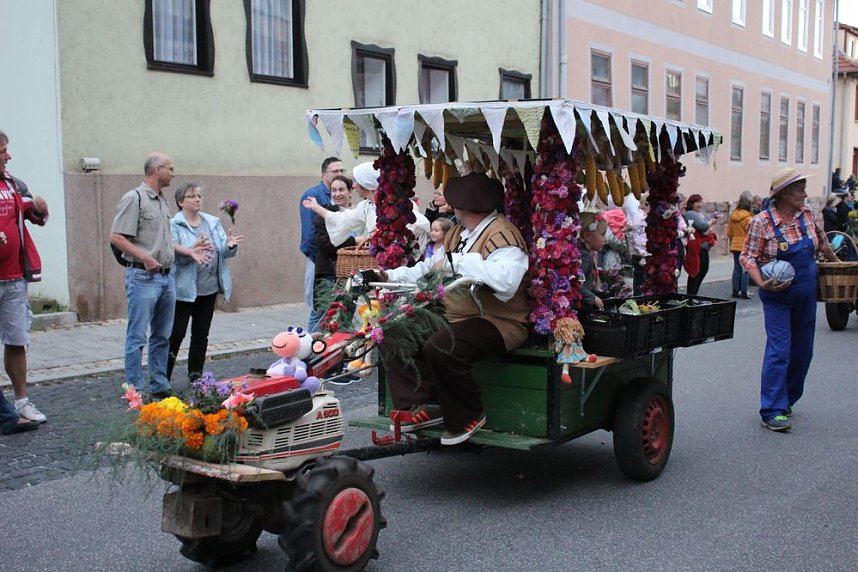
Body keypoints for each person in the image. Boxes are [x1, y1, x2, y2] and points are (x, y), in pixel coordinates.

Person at [375, 172, 529, 446]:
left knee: (442, 345)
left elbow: (507, 281)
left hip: (498, 321)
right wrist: (391, 276)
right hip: (457, 315)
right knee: (393, 331)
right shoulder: (458, 233)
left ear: (464, 205)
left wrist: (458, 262)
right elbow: (430, 267)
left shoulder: (504, 233)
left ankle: (469, 414)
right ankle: (421, 405)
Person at [740, 167, 837, 432]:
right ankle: (771, 409)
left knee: (803, 351)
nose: (805, 194)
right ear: (784, 193)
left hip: (806, 293)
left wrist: (840, 264)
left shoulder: (806, 215)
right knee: (779, 350)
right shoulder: (761, 222)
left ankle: (787, 399)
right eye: (800, 189)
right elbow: (747, 257)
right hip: (777, 295)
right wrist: (761, 282)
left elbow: (821, 243)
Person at [109, 152, 179, 398]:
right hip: (143, 277)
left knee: (162, 335)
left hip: (167, 277)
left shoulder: (162, 200)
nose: (174, 173)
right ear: (157, 170)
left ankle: (159, 384)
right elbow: (116, 237)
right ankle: (134, 390)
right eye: (171, 168)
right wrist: (145, 257)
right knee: (137, 336)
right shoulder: (134, 198)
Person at [167, 183, 242, 383]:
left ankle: (196, 377)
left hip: (208, 289)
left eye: (199, 196)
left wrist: (229, 246)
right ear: (181, 202)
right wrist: (192, 249)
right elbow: (171, 256)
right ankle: (163, 378)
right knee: (176, 335)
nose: (197, 199)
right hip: (184, 289)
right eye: (191, 196)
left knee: (201, 335)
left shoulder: (211, 222)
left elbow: (221, 251)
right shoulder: (174, 225)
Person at [0, 129, 49, 424]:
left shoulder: (13, 184)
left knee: (17, 340)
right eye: (3, 150)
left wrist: (40, 209)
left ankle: (21, 402)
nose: (8, 156)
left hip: (15, 277)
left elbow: (34, 214)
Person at [303, 162, 430, 260]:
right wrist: (316, 207)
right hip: (376, 262)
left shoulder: (399, 203)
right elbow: (342, 219)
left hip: (399, 264)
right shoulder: (365, 206)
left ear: (366, 184)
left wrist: (383, 234)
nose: (353, 186)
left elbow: (420, 225)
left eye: (355, 181)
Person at [300, 157, 344, 333]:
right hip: (320, 261)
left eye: (342, 171)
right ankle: (312, 350)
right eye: (335, 171)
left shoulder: (340, 195)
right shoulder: (313, 196)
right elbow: (310, 234)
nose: (339, 174)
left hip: (338, 262)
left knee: (336, 310)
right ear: (324, 175)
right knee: (319, 309)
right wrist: (322, 260)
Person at [683, 194, 718, 296]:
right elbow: (702, 226)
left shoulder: (701, 213)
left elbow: (707, 228)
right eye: (697, 202)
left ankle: (694, 295)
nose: (700, 204)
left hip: (703, 247)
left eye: (701, 202)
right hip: (696, 247)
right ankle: (691, 295)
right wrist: (710, 223)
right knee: (696, 271)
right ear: (692, 203)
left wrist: (708, 227)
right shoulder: (690, 214)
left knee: (703, 269)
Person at [727, 191, 754, 299]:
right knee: (745, 269)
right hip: (745, 245)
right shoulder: (749, 218)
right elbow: (752, 233)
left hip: (735, 244)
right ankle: (743, 291)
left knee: (736, 268)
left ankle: (735, 290)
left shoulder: (733, 216)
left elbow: (729, 232)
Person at [578, 211, 608, 309]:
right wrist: (592, 297)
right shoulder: (584, 258)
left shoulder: (587, 255)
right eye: (603, 234)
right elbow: (577, 283)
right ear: (587, 236)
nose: (606, 239)